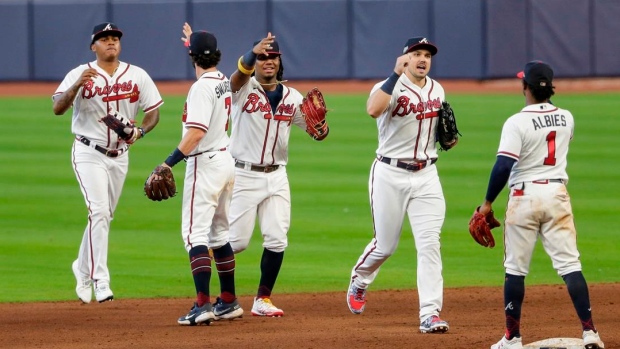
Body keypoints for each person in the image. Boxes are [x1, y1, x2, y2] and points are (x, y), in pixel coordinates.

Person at [179, 24, 332, 316]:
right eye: (263, 57)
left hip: (277, 176)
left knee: (277, 238)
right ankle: (215, 288)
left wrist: (322, 125)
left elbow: (317, 133)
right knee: (233, 241)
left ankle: (262, 299)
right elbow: (237, 76)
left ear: (280, 62)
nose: (269, 61)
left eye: (273, 56)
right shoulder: (239, 89)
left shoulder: (292, 97)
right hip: (243, 174)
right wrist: (250, 54)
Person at [476, 61, 605, 349]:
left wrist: (487, 203)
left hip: (524, 198)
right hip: (557, 195)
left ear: (525, 87)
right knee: (570, 264)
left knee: (515, 270)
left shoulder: (516, 122)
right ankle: (590, 333)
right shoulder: (567, 117)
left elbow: (503, 165)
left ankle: (512, 338)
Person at [346, 37, 454, 334]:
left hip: (427, 176)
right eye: (416, 54)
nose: (423, 59)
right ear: (404, 58)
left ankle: (430, 313)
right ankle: (360, 280)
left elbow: (442, 131)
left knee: (430, 244)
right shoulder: (387, 86)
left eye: (427, 55)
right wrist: (395, 74)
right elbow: (372, 109)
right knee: (385, 245)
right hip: (389, 174)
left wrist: (449, 139)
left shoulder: (437, 89)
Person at [52, 22, 163, 304]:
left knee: (103, 217)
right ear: (94, 46)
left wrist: (141, 131)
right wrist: (77, 85)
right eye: (104, 39)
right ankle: (100, 280)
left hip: (119, 157)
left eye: (114, 38)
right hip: (88, 152)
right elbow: (57, 108)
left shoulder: (136, 74)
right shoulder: (80, 72)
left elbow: (153, 113)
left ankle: (81, 265)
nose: (110, 42)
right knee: (99, 212)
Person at [158, 29, 242, 326]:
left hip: (204, 164)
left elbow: (195, 132)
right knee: (219, 234)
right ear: (216, 54)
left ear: (192, 56)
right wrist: (195, 42)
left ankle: (203, 304)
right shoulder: (222, 81)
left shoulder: (200, 88)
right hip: (225, 160)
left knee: (194, 235)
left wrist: (168, 163)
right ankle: (229, 301)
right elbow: (202, 53)